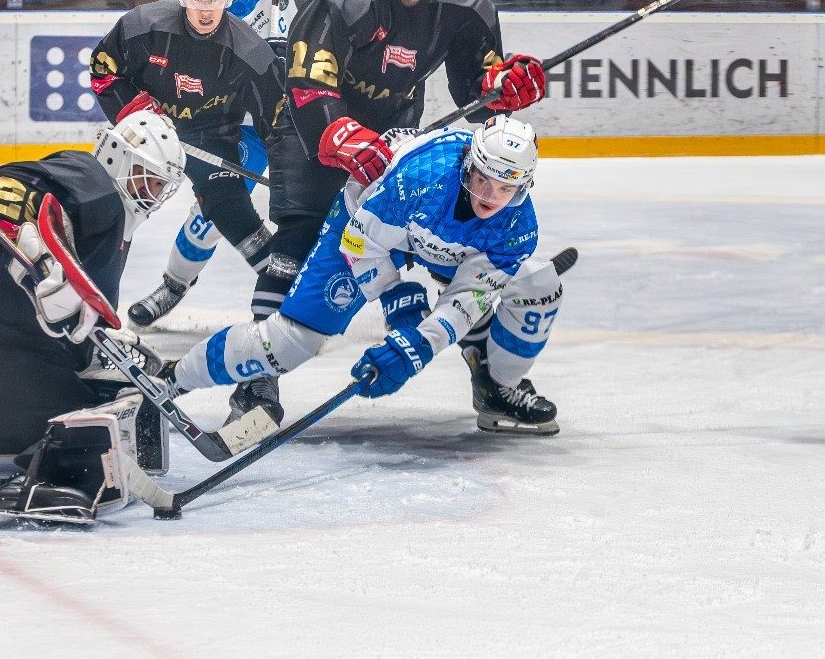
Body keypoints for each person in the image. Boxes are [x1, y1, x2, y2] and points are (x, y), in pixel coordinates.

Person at [242, 0, 547, 420]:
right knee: (297, 236)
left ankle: (489, 379)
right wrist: (337, 131)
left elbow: (476, 89)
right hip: (308, 124)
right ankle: (256, 382)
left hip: (394, 132)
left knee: (456, 245)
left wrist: (501, 90)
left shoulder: (467, 8)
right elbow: (307, 78)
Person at [142, 117, 568, 436]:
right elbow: (362, 243)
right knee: (287, 343)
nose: (489, 196)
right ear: (467, 167)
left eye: (505, 187)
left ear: (525, 186)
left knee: (539, 286)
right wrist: (395, 301)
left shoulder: (518, 228)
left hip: (445, 244)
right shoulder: (419, 179)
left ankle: (498, 387)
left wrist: (420, 345)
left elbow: (468, 297)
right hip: (366, 224)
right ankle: (172, 380)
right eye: (481, 180)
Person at [0, 108, 187, 519]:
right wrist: (35, 263)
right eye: (149, 177)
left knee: (116, 393)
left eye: (161, 186)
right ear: (118, 156)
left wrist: (98, 350)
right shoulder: (94, 182)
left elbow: (64, 321)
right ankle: (50, 479)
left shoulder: (113, 228)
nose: (153, 193)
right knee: (98, 421)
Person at [126, 0, 353, 334]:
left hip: (301, 117)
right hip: (240, 128)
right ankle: (174, 285)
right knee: (214, 211)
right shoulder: (182, 15)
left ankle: (330, 294)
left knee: (329, 207)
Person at [88, 0, 287, 363]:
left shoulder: (250, 52)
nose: (206, 8)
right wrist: (132, 108)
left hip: (211, 139)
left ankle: (290, 295)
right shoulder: (143, 27)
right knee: (111, 209)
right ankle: (94, 309)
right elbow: (103, 71)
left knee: (228, 209)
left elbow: (278, 126)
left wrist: (294, 183)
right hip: (146, 135)